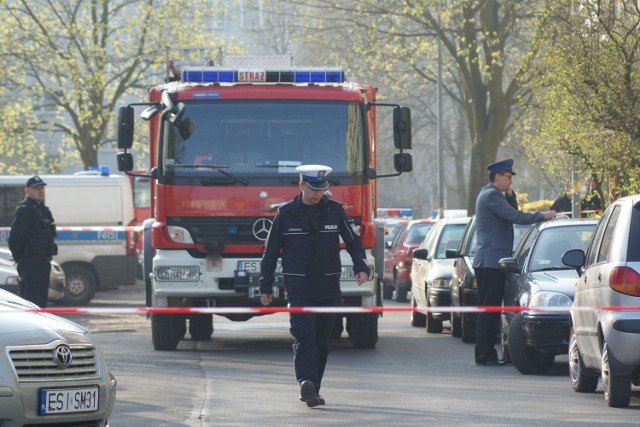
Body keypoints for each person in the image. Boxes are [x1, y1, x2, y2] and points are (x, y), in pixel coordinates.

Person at [259, 164, 370, 407]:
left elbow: (354, 242)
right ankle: (305, 381)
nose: (317, 194)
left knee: (322, 340)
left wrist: (362, 267)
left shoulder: (335, 211)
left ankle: (313, 388)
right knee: (303, 335)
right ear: (301, 186)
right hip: (298, 285)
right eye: (312, 189)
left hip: (328, 285)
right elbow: (270, 253)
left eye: (321, 189)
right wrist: (265, 286)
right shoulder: (286, 213)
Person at [472, 159, 556, 366]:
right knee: (489, 311)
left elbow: (511, 210)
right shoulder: (491, 195)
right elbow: (514, 216)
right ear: (498, 176)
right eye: (508, 177)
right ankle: (484, 355)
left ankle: (486, 353)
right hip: (491, 262)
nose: (510, 181)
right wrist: (543, 215)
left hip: (490, 261)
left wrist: (510, 194)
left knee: (489, 310)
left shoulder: (492, 194)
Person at [8, 175, 58, 308]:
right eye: (36, 188)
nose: (40, 190)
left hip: (43, 264)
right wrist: (23, 260)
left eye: (42, 187)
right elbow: (14, 239)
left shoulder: (42, 209)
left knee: (41, 304)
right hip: (30, 264)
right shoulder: (24, 210)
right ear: (27, 191)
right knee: (31, 303)